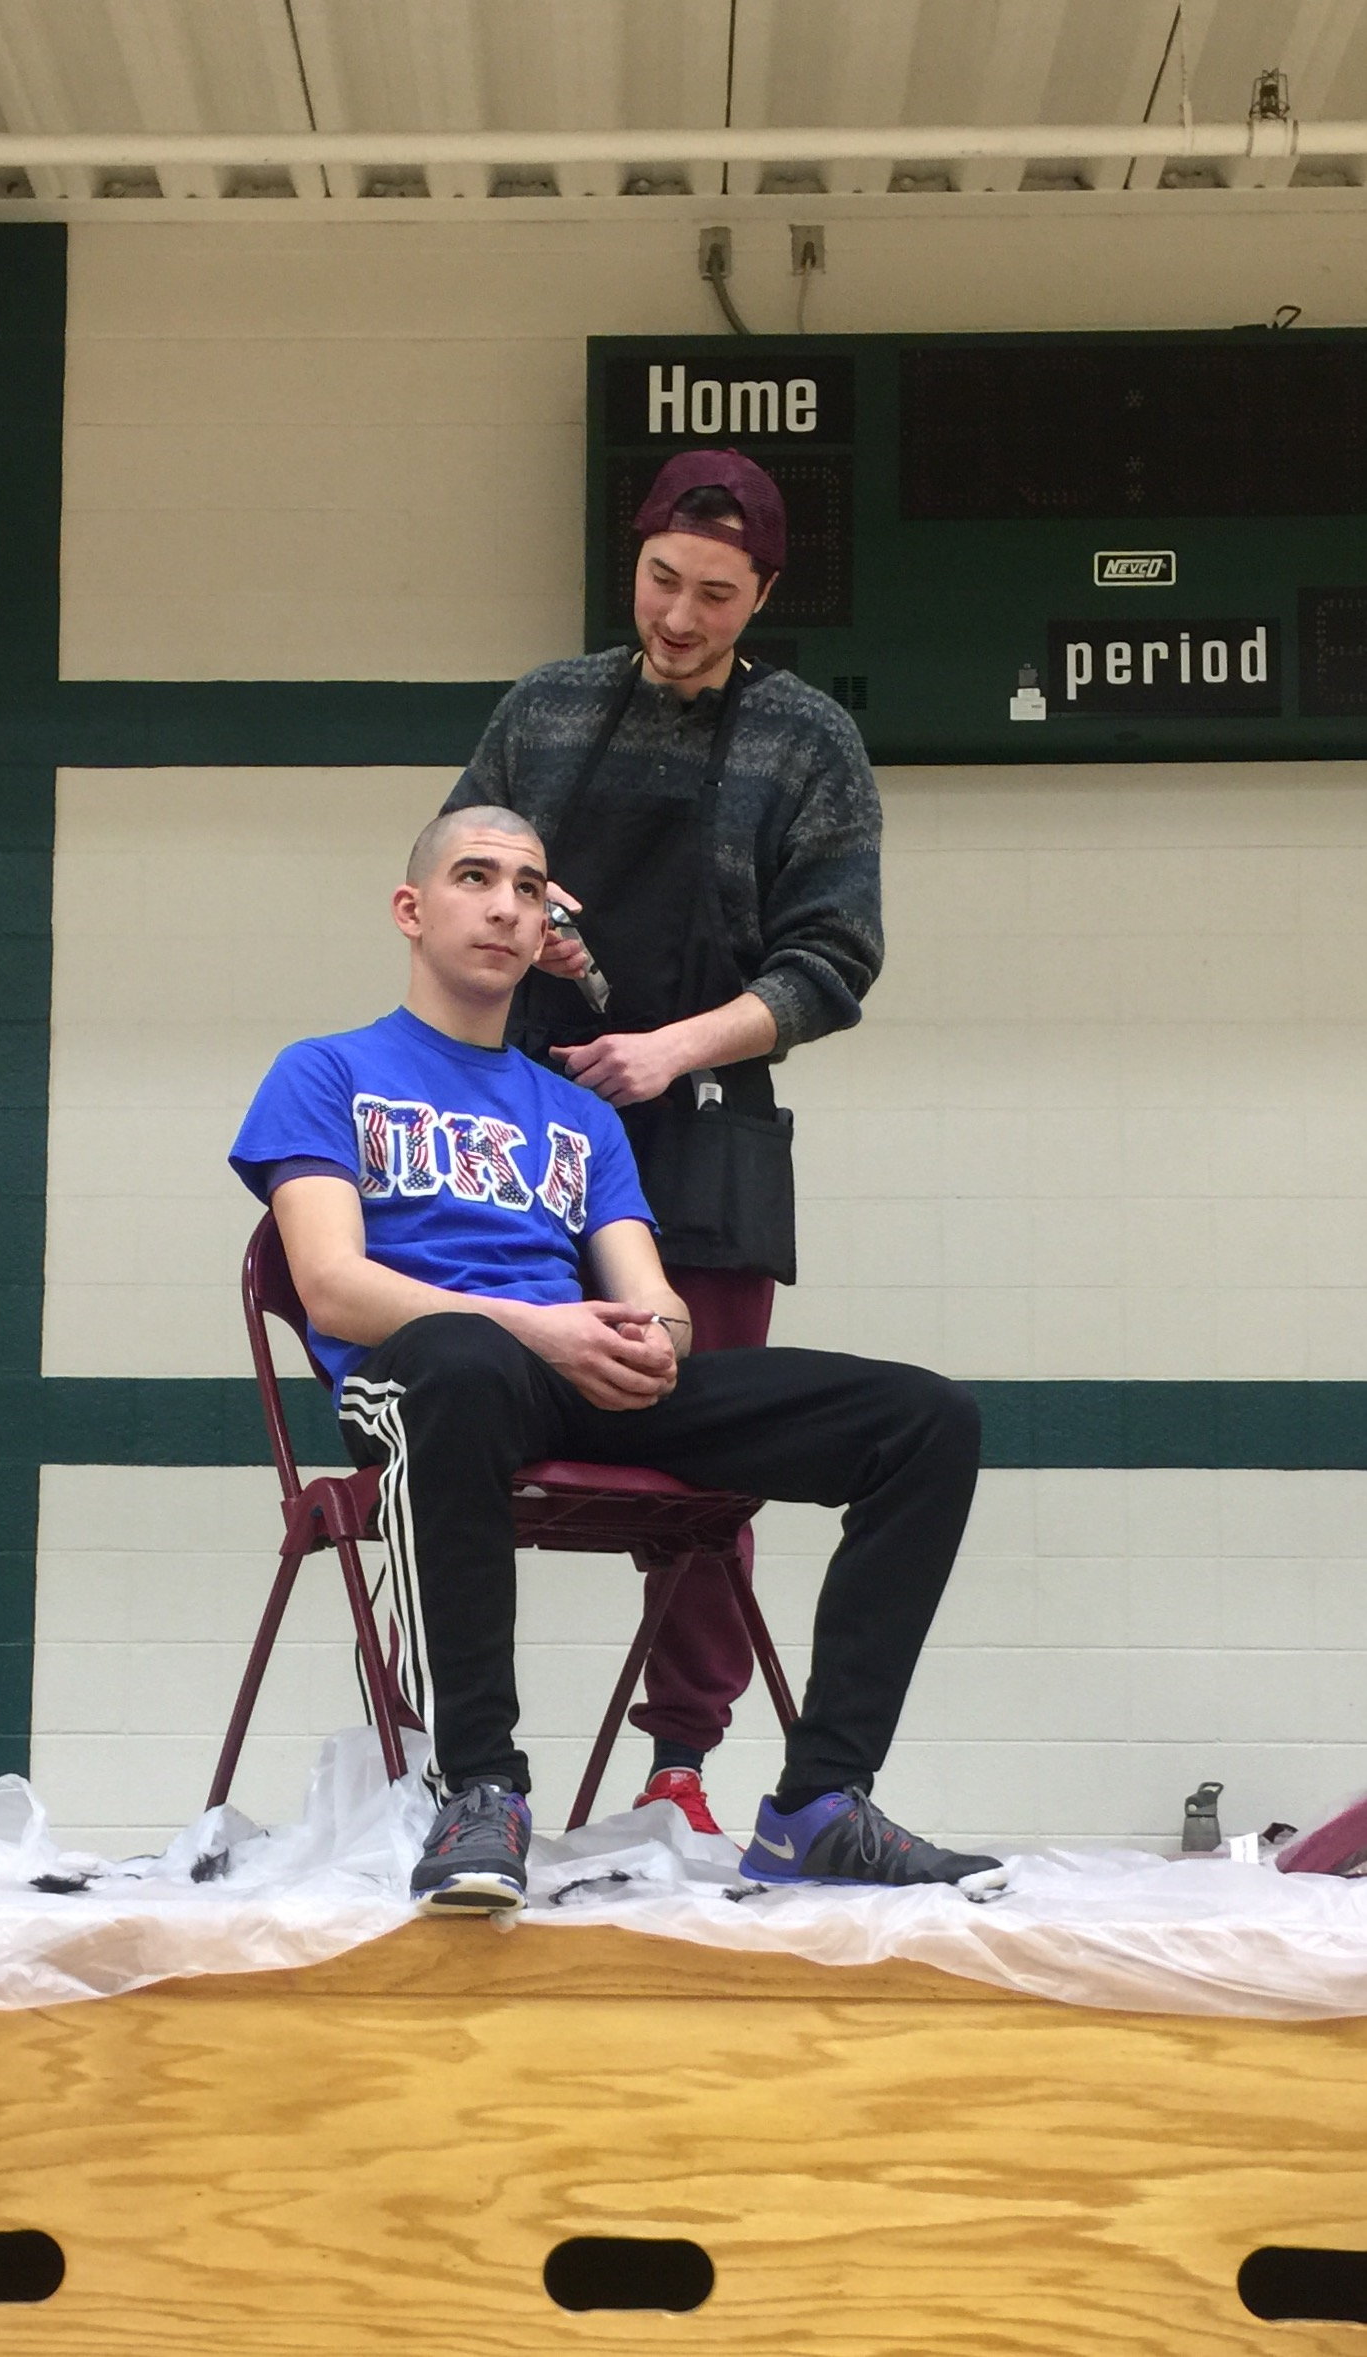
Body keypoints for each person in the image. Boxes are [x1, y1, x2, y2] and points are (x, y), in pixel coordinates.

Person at [229, 803, 1004, 1916]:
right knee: (456, 1353)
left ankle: (820, 1804)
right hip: (432, 1380)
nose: (506, 904)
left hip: (575, 1379)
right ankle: (481, 1789)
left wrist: (646, 1340)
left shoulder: (576, 1117)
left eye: (530, 886)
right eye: (476, 877)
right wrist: (537, 1325)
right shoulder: (325, 1070)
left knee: (925, 1418)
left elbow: (657, 1301)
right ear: (412, 908)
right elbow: (332, 1284)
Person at [443, 448, 883, 1837]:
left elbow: (837, 962)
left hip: (704, 1143)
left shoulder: (811, 740)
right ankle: (465, 1765)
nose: (681, 616)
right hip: (514, 1131)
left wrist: (671, 1047)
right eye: (660, 581)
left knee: (706, 1464)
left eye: (716, 594)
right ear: (632, 558)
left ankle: (682, 1761)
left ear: (763, 594)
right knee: (465, 1416)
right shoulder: (547, 708)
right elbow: (457, 868)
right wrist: (523, 914)